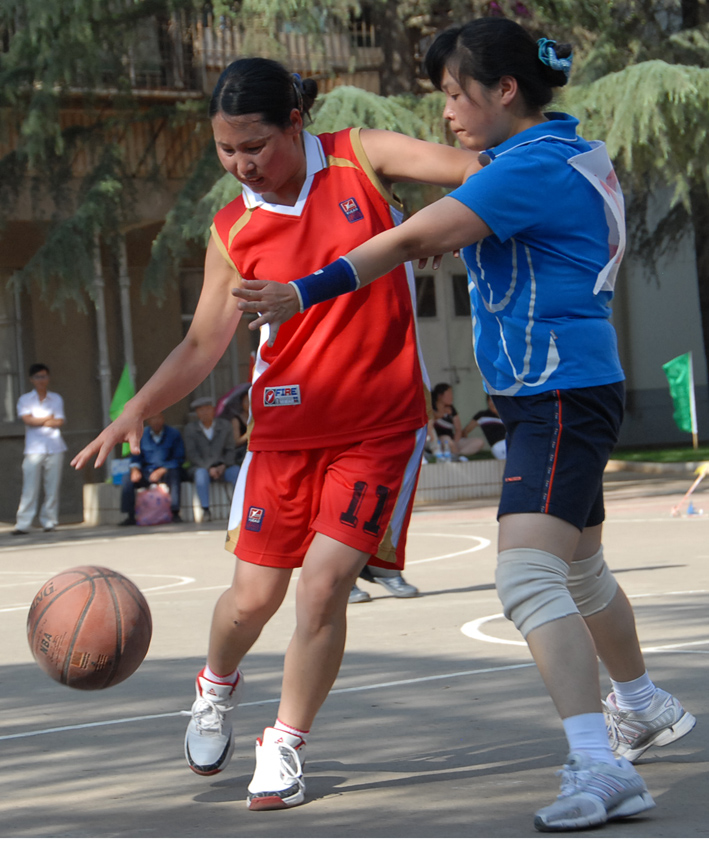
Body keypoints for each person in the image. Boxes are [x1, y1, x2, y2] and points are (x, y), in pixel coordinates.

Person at [233, 20, 696, 831]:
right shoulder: (563, 153)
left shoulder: (527, 167)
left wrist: (298, 292)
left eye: (454, 93)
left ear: (503, 90)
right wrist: (463, 236)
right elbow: (500, 234)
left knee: (526, 578)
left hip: (556, 394)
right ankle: (641, 702)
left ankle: (599, 764)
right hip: (565, 388)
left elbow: (408, 236)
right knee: (580, 571)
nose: (445, 111)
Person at [71, 56, 480, 810]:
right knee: (251, 600)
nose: (241, 164)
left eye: (253, 146)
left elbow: (479, 169)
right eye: (225, 150)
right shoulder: (233, 227)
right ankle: (214, 686)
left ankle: (285, 741)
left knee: (323, 588)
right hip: (284, 433)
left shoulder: (362, 157)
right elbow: (202, 344)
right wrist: (138, 408)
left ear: (295, 123)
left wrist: (440, 226)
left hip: (379, 426)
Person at [12, 363, 66, 535]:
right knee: (30, 487)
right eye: (38, 377)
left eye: (44, 376)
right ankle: (23, 523)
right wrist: (47, 418)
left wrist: (39, 420)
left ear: (48, 378)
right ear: (31, 379)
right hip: (34, 448)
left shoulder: (56, 398)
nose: (41, 380)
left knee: (52, 487)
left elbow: (59, 421)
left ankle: (50, 521)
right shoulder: (25, 399)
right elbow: (28, 420)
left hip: (55, 447)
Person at [119, 412, 185, 525]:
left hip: (166, 470)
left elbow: (179, 458)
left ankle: (175, 512)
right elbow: (135, 457)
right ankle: (130, 515)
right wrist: (135, 470)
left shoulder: (174, 434)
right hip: (147, 472)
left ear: (163, 419)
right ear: (148, 421)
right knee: (127, 478)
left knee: (175, 475)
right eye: (153, 419)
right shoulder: (141, 435)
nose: (156, 421)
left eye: (158, 418)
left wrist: (163, 469)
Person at [184, 396, 241, 521]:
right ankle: (205, 510)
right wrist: (209, 467)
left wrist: (224, 465)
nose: (205, 413)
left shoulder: (225, 425)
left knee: (236, 472)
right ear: (196, 413)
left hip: (223, 465)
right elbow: (192, 454)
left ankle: (239, 508)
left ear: (213, 410)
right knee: (201, 474)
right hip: (201, 466)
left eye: (207, 409)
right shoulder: (190, 429)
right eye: (201, 410)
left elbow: (230, 449)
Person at [428, 382, 485, 458]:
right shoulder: (431, 407)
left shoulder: (451, 409)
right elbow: (430, 424)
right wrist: (442, 414)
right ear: (440, 395)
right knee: (448, 440)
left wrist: (456, 442)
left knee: (479, 442)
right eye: (449, 394)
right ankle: (454, 455)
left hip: (452, 440)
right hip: (439, 440)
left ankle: (459, 454)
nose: (451, 397)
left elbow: (458, 429)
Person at [463, 395, 507, 460]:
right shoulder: (482, 415)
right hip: (498, 446)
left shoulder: (506, 415)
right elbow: (466, 431)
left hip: (510, 443)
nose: (493, 402)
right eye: (490, 400)